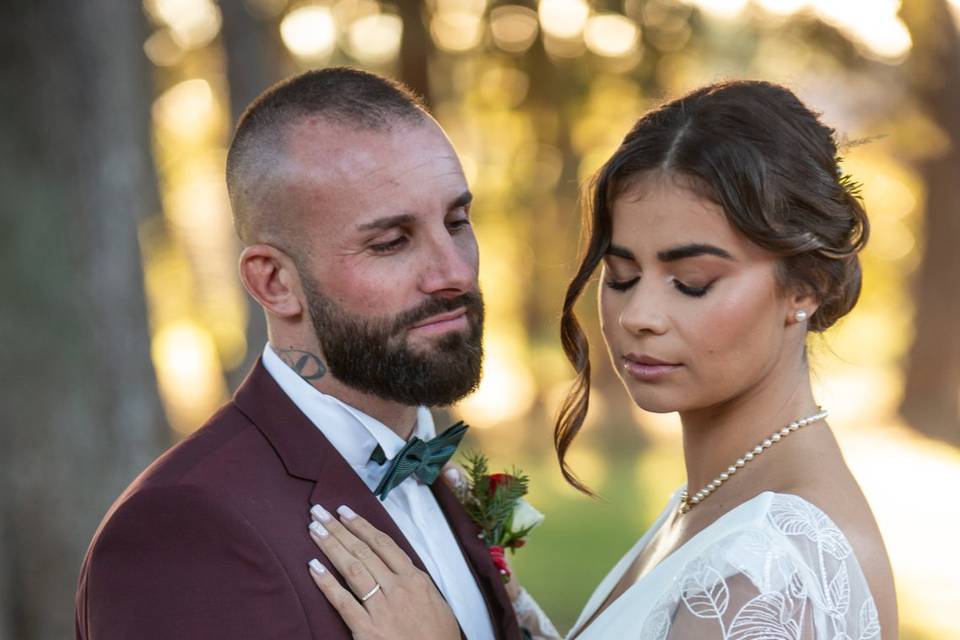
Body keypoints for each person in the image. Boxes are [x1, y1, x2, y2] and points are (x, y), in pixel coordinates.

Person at [305, 80, 898, 639]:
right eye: (621, 276)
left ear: (806, 287)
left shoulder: (775, 573)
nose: (639, 314)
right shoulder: (723, 496)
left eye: (691, 281)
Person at [74, 68, 521, 640]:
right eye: (391, 243)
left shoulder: (440, 475)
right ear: (275, 283)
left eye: (457, 222)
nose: (456, 273)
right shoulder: (182, 530)